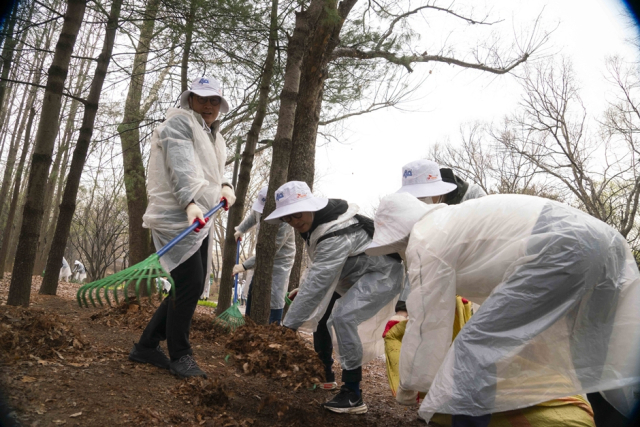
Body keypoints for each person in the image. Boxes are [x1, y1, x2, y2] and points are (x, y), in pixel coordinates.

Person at [366, 192, 640, 426]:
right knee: (593, 354)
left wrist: (408, 387)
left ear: (400, 233)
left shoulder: (425, 240)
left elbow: (427, 324)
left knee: (474, 351)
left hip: (562, 246)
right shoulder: (452, 220)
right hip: (605, 241)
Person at [264, 181, 404, 414]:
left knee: (342, 317)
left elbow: (320, 278)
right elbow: (320, 266)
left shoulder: (335, 231)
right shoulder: (315, 225)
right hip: (354, 277)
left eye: (297, 214)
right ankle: (327, 374)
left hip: (381, 275)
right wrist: (304, 287)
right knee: (327, 319)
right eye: (287, 218)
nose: (294, 222)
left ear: (310, 205)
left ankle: (352, 394)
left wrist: (288, 328)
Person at [128, 76, 236, 379]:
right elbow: (181, 166)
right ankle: (180, 355)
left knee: (188, 285)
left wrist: (226, 186)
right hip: (177, 215)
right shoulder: (179, 124)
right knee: (189, 284)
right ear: (189, 100)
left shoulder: (215, 135)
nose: (207, 105)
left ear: (220, 106)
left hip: (202, 215)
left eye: (213, 100)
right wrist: (190, 202)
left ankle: (146, 346)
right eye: (201, 98)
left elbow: (216, 172)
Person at [234, 186, 295, 325]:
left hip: (281, 260)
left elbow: (271, 252)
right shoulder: (259, 207)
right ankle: (249, 323)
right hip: (261, 258)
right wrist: (240, 230)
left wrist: (244, 266)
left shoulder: (284, 221)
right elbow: (253, 217)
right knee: (255, 288)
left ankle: (273, 325)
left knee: (275, 295)